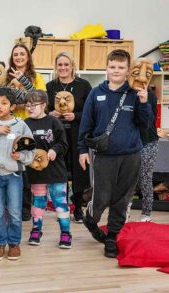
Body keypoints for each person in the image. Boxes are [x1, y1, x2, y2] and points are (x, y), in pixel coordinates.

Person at [78, 49, 153, 258]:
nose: (117, 71)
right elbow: (86, 124)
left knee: (123, 198)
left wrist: (145, 102)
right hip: (104, 156)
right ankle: (91, 219)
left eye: (121, 67)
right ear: (106, 68)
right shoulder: (96, 93)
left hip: (131, 155)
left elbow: (145, 126)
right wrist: (82, 150)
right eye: (113, 67)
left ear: (128, 70)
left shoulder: (136, 93)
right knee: (101, 197)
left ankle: (112, 236)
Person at [0, 87, 35, 261]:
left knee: (14, 212)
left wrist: (21, 156)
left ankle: (14, 243)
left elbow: (30, 149)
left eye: (4, 103)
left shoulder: (21, 125)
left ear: (12, 106)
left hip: (14, 176)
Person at [46, 52, 92, 223]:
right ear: (56, 67)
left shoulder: (84, 85)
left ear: (72, 66)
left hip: (78, 133)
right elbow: (45, 109)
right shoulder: (50, 86)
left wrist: (76, 116)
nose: (63, 68)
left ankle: (78, 207)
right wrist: (51, 114)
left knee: (79, 171)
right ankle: (62, 207)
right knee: (59, 171)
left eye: (66, 64)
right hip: (58, 135)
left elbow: (90, 111)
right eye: (60, 65)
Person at [24, 90, 71, 249]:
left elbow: (64, 144)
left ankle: (65, 233)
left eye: (33, 105)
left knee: (60, 202)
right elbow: (22, 145)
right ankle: (36, 229)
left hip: (56, 172)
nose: (30, 108)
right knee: (38, 201)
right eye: (27, 105)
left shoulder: (54, 122)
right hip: (36, 173)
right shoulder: (25, 124)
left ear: (43, 105)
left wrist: (54, 150)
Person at [5, 44, 46, 221]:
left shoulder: (36, 77)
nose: (19, 57)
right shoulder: (6, 77)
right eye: (16, 54)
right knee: (11, 163)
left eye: (22, 54)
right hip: (11, 126)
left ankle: (25, 207)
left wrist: (24, 81)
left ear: (28, 57)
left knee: (27, 166)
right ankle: (10, 205)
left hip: (30, 126)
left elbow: (41, 97)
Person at [129, 58, 159, 222]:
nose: (141, 78)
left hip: (148, 142)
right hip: (130, 143)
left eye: (147, 74)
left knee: (145, 178)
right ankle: (124, 211)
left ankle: (146, 213)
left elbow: (149, 122)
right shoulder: (124, 94)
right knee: (128, 179)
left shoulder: (151, 97)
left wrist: (144, 101)